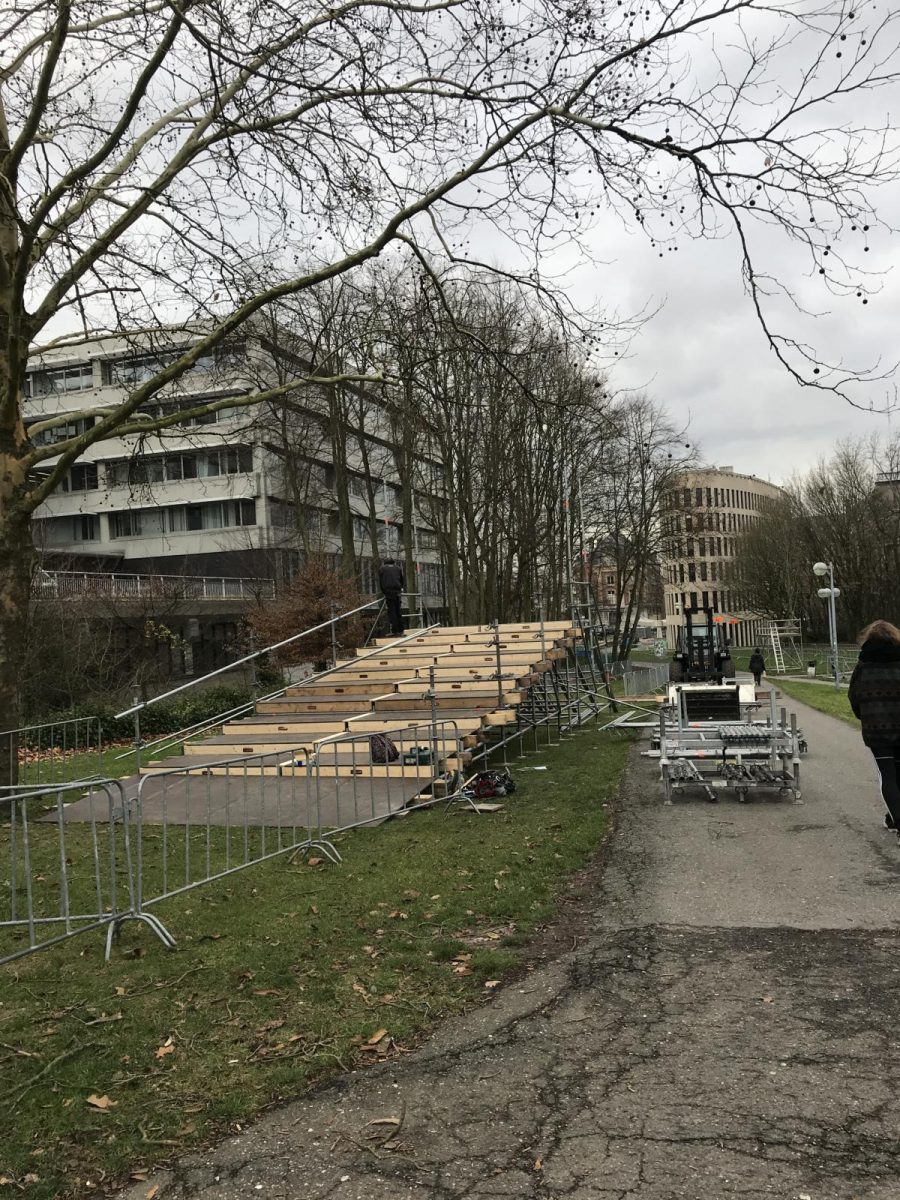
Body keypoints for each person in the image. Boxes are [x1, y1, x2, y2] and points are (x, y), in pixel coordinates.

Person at [848, 620, 900, 836]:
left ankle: (896, 820)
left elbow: (854, 696)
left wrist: (864, 716)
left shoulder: (863, 666)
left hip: (877, 730)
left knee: (887, 774)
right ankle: (893, 817)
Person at [378, 557, 405, 637]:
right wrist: (400, 588)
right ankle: (400, 629)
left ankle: (395, 630)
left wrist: (384, 592)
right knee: (398, 610)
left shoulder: (382, 569)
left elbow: (381, 581)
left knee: (392, 611)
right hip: (397, 591)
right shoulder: (398, 568)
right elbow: (402, 580)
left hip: (388, 591)